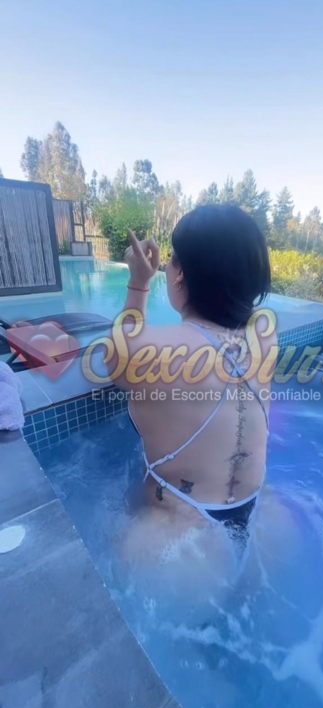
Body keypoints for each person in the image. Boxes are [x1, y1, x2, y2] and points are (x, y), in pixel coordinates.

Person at [107, 204, 276, 551]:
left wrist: (138, 283)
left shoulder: (153, 351)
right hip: (262, 513)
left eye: (173, 259)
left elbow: (116, 359)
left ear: (180, 273)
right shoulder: (265, 337)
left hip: (180, 530)